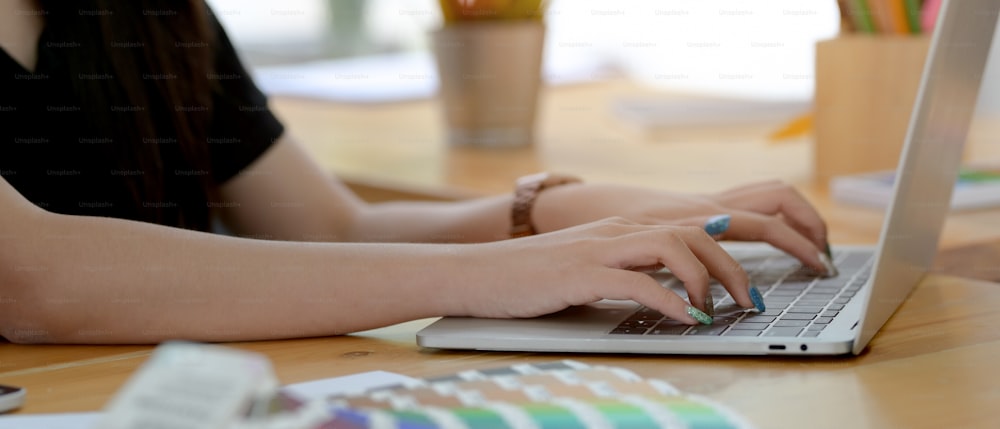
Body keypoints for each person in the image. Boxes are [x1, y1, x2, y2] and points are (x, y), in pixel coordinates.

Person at [0, 0, 835, 344]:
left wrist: (557, 212)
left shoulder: (148, 13)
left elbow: (330, 231)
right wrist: (493, 271)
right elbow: (33, 277)